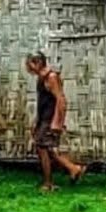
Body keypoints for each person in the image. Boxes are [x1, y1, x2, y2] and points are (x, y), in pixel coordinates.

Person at [25, 52, 87, 192]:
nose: (28, 68)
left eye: (30, 64)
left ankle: (49, 183)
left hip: (50, 119)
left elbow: (61, 100)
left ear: (38, 63)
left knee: (43, 148)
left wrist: (57, 122)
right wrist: (37, 121)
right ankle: (73, 169)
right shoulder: (41, 78)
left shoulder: (51, 77)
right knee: (47, 149)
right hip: (44, 119)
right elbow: (43, 103)